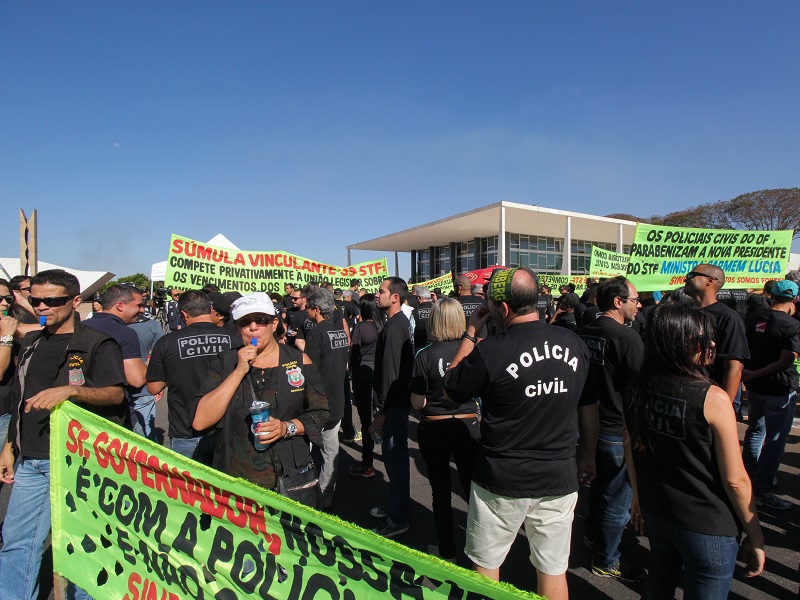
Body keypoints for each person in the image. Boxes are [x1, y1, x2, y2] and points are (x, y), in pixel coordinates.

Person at [443, 267, 590, 600]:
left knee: (486, 569)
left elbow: (451, 387)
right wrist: (589, 453)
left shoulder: (490, 349)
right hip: (558, 476)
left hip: (501, 479)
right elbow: (589, 404)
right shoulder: (573, 341)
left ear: (504, 309)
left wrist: (471, 331)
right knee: (552, 570)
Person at [0, 269, 126, 600]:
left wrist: (71, 392)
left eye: (52, 300)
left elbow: (116, 394)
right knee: (17, 543)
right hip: (31, 459)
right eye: (35, 299)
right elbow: (18, 396)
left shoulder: (97, 343)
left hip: (78, 459)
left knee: (83, 544)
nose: (42, 306)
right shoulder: (31, 342)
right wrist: (9, 447)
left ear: (75, 301)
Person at [625, 303, 765, 599]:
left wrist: (637, 497)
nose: (712, 345)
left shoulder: (639, 386)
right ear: (678, 342)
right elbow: (736, 480)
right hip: (707, 524)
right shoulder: (712, 397)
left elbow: (631, 445)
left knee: (659, 583)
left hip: (658, 512)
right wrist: (756, 536)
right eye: (702, 339)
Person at [192, 293, 329, 499]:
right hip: (237, 480)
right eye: (245, 322)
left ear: (274, 324)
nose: (253, 327)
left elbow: (321, 413)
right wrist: (238, 371)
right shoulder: (225, 362)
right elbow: (201, 421)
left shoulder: (299, 360)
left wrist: (286, 427)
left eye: (261, 320)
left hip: (288, 479)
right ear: (237, 328)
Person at [578, 276, 645, 582]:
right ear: (618, 302)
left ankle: (593, 537)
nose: (639, 305)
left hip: (590, 424)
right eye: (635, 300)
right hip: (618, 429)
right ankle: (607, 559)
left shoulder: (586, 329)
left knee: (600, 487)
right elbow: (642, 386)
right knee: (617, 499)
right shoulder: (626, 338)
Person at [410, 297, 478, 562]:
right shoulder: (472, 350)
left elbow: (417, 401)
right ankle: (479, 548)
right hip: (468, 424)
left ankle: (447, 549)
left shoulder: (424, 355)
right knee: (472, 488)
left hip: (435, 427)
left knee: (440, 489)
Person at [147, 290, 234, 464]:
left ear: (183, 314)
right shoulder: (233, 339)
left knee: (190, 489)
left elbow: (154, 387)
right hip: (226, 428)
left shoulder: (166, 343)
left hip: (185, 431)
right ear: (210, 309)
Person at [741, 279, 800, 510]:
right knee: (776, 440)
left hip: (756, 387)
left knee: (756, 430)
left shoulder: (755, 317)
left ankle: (752, 478)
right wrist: (757, 373)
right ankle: (763, 489)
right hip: (778, 388)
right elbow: (786, 360)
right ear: (794, 300)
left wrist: (753, 374)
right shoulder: (792, 325)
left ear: (771, 295)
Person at [368, 277, 414, 538]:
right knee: (393, 461)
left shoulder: (395, 327)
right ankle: (396, 506)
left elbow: (393, 374)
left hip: (393, 407)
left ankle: (398, 518)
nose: (377, 295)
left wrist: (383, 412)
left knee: (396, 462)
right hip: (393, 405)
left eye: (382, 291)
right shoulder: (394, 324)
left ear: (395, 297)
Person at [683, 265, 749, 419]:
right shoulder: (683, 313)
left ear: (710, 281)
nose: (686, 278)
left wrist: (722, 409)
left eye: (692, 274)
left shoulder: (728, 318)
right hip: (680, 396)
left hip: (707, 400)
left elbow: (734, 368)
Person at [303, 288, 349, 509]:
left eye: (308, 307)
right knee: (331, 450)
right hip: (337, 399)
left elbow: (309, 370)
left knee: (307, 449)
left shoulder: (317, 333)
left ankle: (306, 492)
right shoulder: (339, 330)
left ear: (317, 309)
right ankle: (326, 493)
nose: (306, 311)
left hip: (318, 403)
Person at [349, 296, 383, 478]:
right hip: (380, 376)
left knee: (366, 420)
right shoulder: (383, 327)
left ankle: (367, 463)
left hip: (363, 376)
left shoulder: (361, 328)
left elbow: (354, 354)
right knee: (381, 417)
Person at [128, 312, 165, 440]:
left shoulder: (112, 327)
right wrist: (158, 382)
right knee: (147, 434)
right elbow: (159, 357)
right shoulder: (153, 325)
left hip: (118, 388)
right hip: (143, 388)